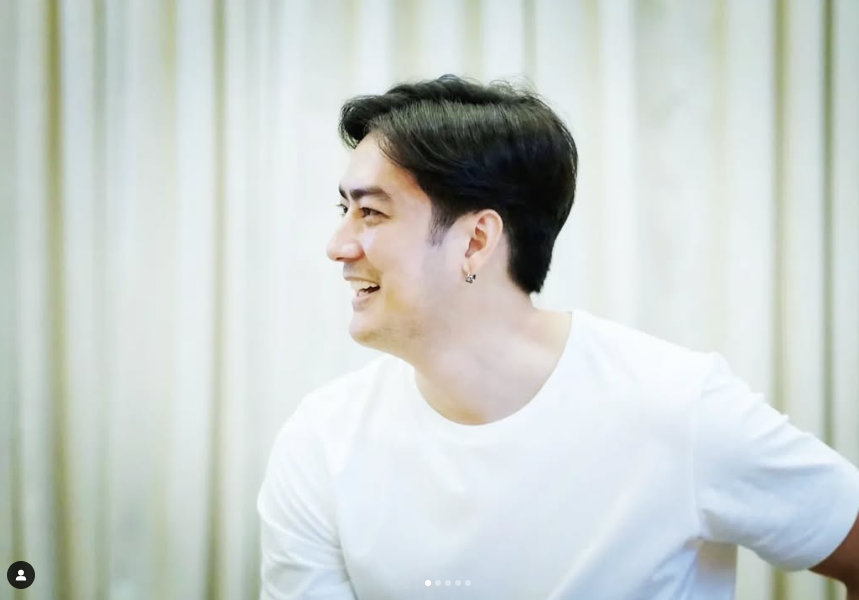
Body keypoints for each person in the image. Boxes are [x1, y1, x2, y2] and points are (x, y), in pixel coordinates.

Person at [257, 74, 859, 599]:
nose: (338, 246)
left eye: (370, 212)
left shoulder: (679, 407)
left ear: (475, 241)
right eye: (344, 210)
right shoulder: (321, 443)